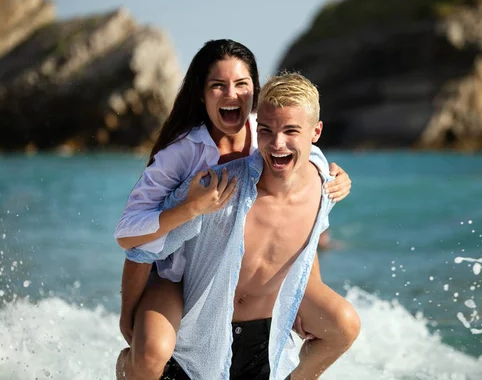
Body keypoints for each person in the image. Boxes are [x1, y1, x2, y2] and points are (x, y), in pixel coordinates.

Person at [114, 40, 357, 379]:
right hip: (174, 273)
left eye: (242, 85)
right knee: (152, 350)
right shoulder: (183, 155)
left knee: (344, 324)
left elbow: (302, 212)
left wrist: (337, 179)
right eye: (218, 85)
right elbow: (133, 239)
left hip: (231, 270)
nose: (231, 94)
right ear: (202, 94)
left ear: (253, 92)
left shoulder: (267, 132)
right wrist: (191, 208)